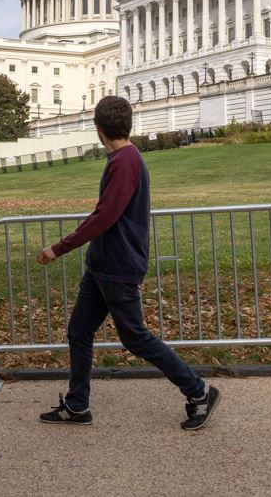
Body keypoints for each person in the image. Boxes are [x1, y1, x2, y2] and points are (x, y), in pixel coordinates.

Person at [36, 96, 220, 430]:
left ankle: (199, 391)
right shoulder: (123, 159)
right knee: (79, 331)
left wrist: (59, 248)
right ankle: (78, 405)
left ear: (98, 128)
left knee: (136, 338)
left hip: (117, 267)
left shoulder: (125, 162)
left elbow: (105, 216)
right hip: (102, 266)